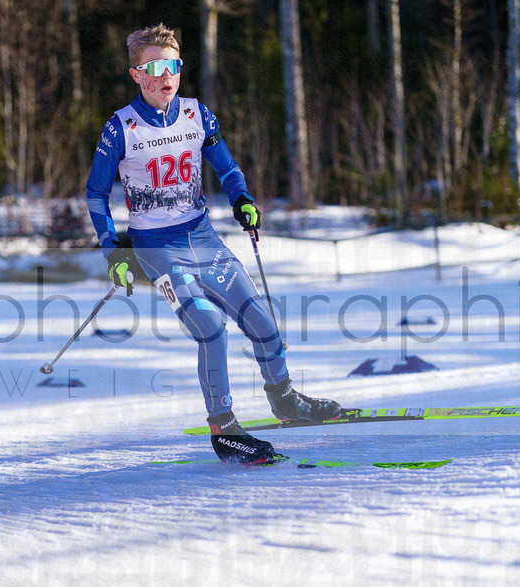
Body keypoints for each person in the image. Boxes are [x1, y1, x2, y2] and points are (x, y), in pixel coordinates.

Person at [85, 23, 342, 464]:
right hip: (157, 248)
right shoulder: (120, 128)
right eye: (154, 66)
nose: (166, 75)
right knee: (210, 328)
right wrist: (113, 251)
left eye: (173, 65)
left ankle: (285, 402)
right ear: (136, 74)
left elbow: (227, 169)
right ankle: (224, 430)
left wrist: (242, 199)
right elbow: (95, 193)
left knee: (262, 320)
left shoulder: (196, 115)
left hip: (203, 238)